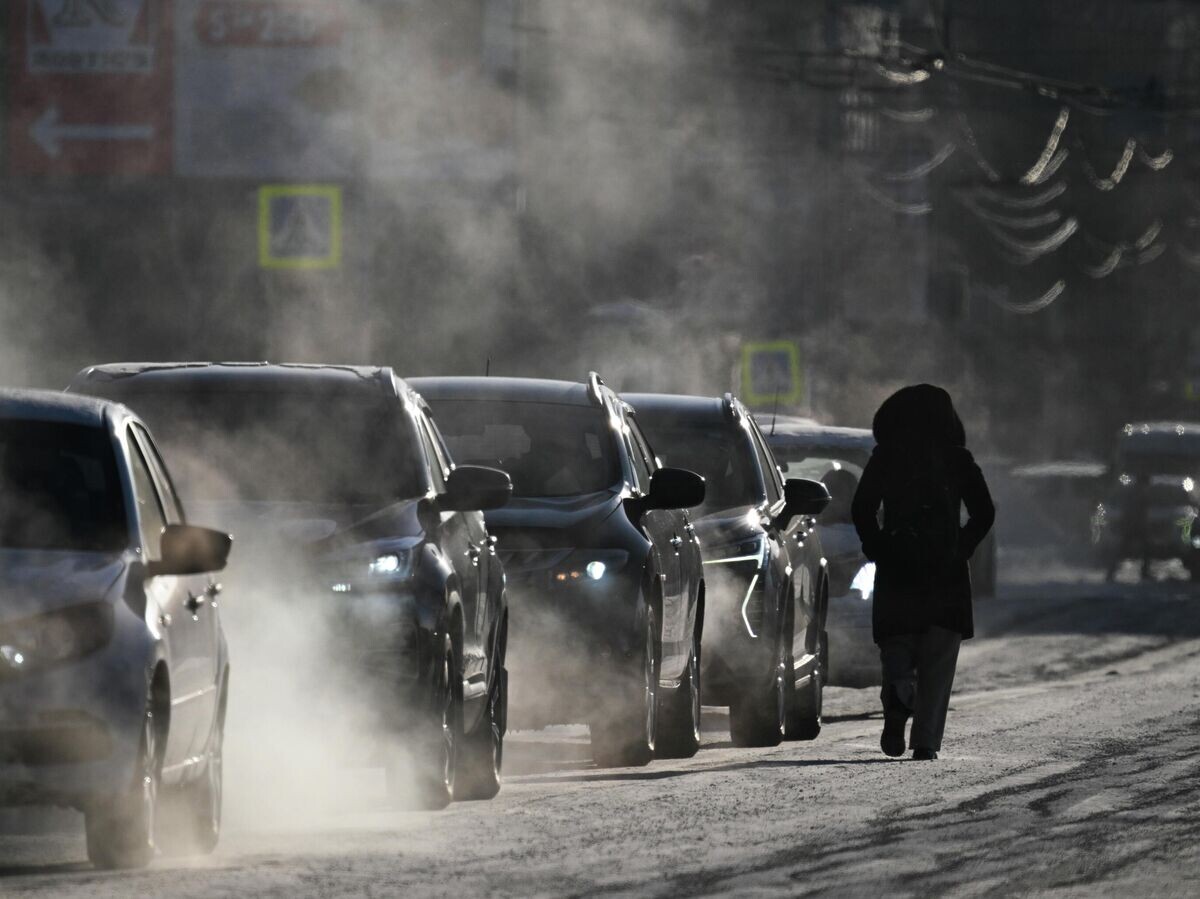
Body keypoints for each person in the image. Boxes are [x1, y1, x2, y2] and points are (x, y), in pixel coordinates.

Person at [851, 384, 995, 761]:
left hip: (898, 570)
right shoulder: (958, 459)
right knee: (938, 658)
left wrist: (878, 547)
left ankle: (899, 691)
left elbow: (861, 509)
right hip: (946, 576)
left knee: (897, 645)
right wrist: (961, 547)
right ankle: (926, 742)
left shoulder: (886, 457)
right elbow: (985, 512)